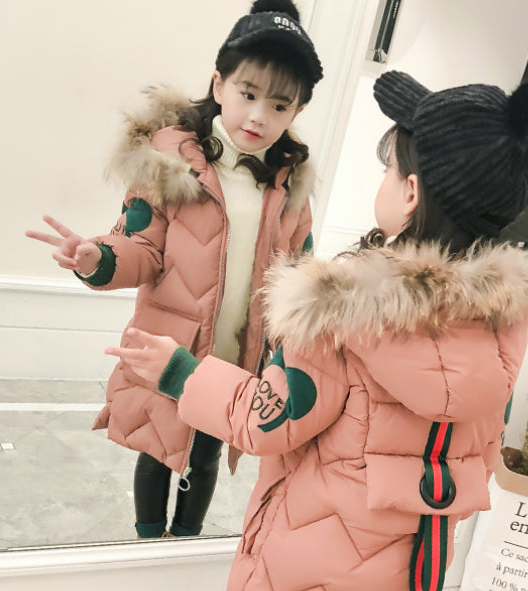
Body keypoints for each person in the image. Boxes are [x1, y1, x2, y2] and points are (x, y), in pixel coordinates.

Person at [105, 71, 528, 591]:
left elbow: (268, 419)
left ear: (410, 192)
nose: (382, 182)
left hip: (325, 533)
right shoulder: (501, 323)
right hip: (417, 544)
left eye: (389, 168)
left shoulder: (342, 307)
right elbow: (480, 444)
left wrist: (180, 375)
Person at [25, 0, 322, 540]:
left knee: (205, 456)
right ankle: (146, 540)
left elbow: (297, 278)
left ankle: (183, 541)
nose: (258, 116)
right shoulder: (169, 162)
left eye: (279, 105)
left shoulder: (290, 183)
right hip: (171, 348)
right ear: (219, 83)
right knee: (159, 451)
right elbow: (140, 247)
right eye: (248, 94)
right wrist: (96, 258)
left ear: (297, 110)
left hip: (236, 361)